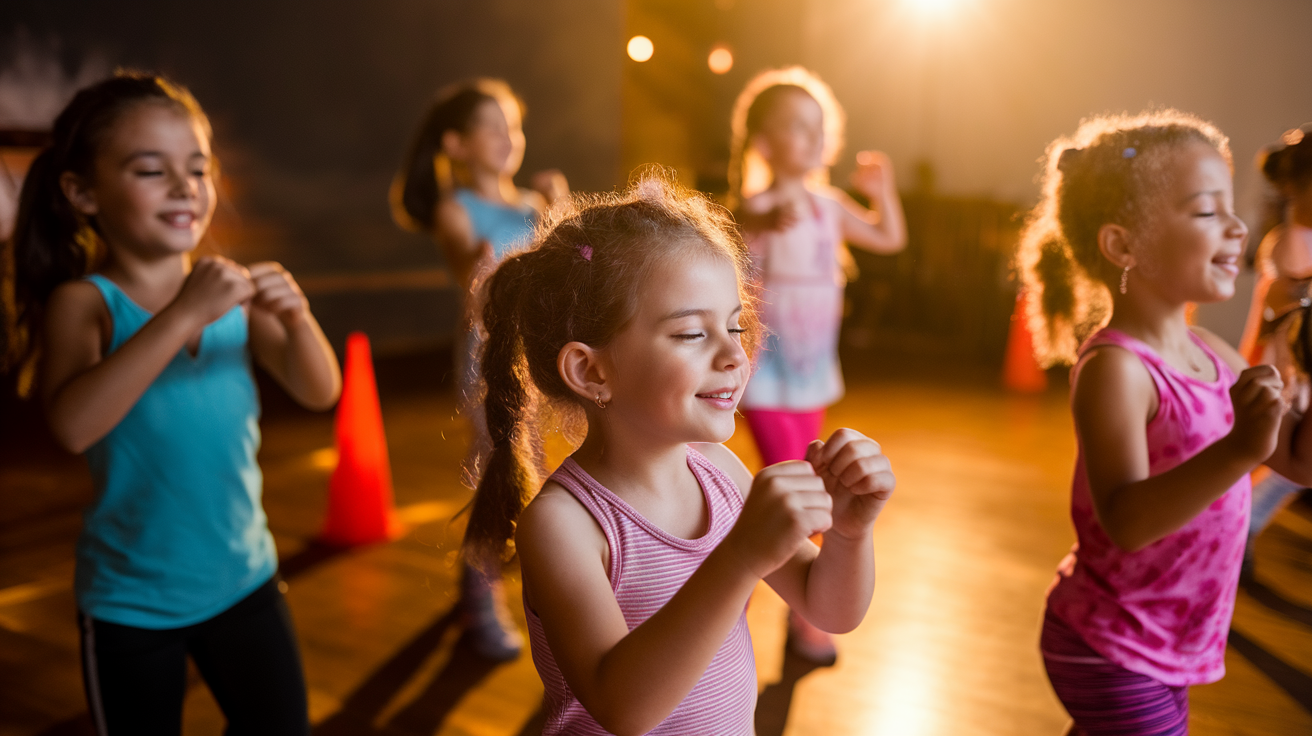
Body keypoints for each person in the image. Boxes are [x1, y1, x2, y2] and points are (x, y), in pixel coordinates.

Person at [462, 173, 896, 735]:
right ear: (592, 370)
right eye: (692, 334)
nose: (734, 356)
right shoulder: (564, 524)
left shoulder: (720, 474)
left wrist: (850, 533)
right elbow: (624, 707)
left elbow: (831, 609)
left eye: (736, 326)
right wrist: (739, 557)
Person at [0, 72, 341, 735]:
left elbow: (319, 390)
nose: (186, 187)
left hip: (246, 579)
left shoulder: (229, 294)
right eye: (152, 170)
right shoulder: (86, 303)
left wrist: (299, 321)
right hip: (131, 602)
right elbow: (71, 426)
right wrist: (184, 314)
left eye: (198, 168)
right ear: (82, 192)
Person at [1017, 109, 1312, 735]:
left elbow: (1299, 460)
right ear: (1124, 245)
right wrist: (1237, 451)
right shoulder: (1117, 368)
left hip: (1177, 647)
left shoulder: (1215, 354)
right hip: (1108, 645)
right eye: (1208, 212)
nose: (1236, 227)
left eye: (1230, 207)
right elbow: (1125, 521)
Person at [725, 66, 907, 663]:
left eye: (818, 128)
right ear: (764, 142)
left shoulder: (827, 205)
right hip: (767, 375)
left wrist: (882, 191)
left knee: (807, 485)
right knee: (802, 492)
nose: (811, 138)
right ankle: (791, 616)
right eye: (796, 128)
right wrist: (752, 224)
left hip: (811, 373)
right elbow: (727, 247)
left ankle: (756, 607)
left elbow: (888, 239)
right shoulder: (757, 207)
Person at [391, 78, 568, 660]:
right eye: (491, 126)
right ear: (457, 144)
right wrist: (482, 260)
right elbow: (467, 257)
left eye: (512, 126)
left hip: (539, 353)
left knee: (535, 473)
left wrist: (560, 207)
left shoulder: (531, 204)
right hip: (488, 356)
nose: (506, 137)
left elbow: (566, 264)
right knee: (497, 475)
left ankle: (524, 585)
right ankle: (478, 595)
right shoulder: (454, 207)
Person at [1236, 123, 1312, 576]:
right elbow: (1286, 302)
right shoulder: (1287, 242)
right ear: (1292, 187)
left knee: (1285, 465)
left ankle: (1242, 526)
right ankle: (1239, 528)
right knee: (1276, 460)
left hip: (1299, 368)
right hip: (1287, 370)